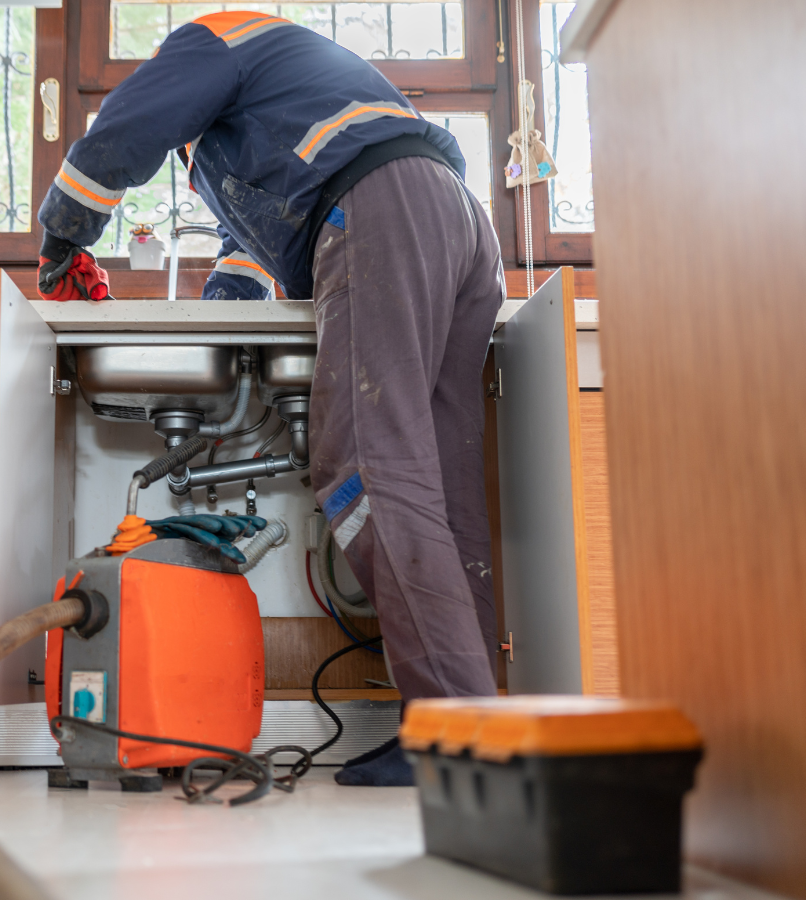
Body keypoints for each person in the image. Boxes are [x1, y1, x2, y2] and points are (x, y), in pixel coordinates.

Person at [35, 10, 504, 786]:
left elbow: (128, 123)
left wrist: (65, 232)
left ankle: (449, 740)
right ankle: (481, 730)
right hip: (452, 219)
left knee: (371, 471)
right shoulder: (269, 118)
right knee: (443, 493)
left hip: (380, 209)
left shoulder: (209, 39)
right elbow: (243, 265)